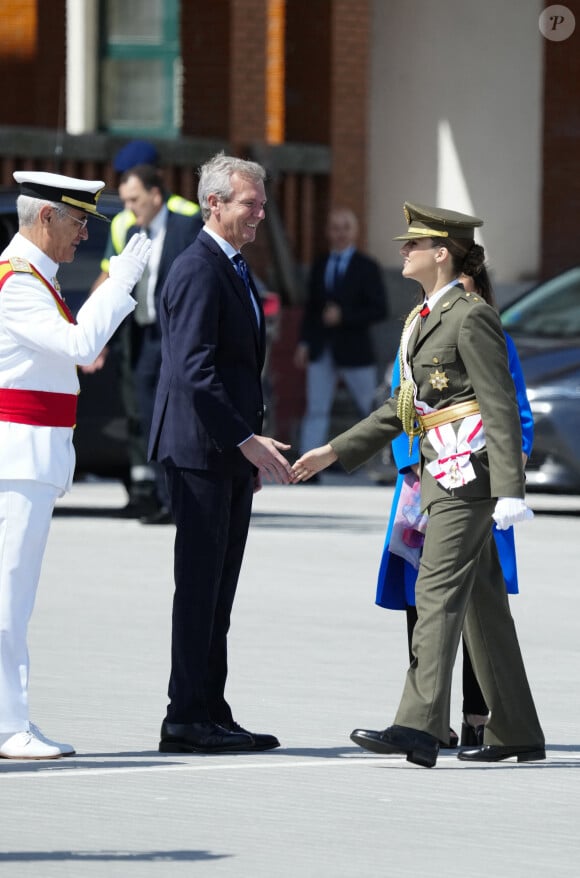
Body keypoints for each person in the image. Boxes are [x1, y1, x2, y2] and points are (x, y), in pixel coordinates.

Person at [293, 202, 545, 768]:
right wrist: (336, 450)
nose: (403, 250)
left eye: (415, 243)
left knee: (433, 592)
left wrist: (510, 489)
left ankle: (417, 725)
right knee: (482, 604)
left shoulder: (471, 316)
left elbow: (500, 405)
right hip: (443, 467)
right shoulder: (423, 317)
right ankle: (517, 732)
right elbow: (404, 407)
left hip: (467, 474)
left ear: (442, 253)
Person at [0, 170, 150, 760]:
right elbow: (81, 346)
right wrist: (122, 279)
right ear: (45, 218)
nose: (84, 234)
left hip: (28, 457)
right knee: (10, 598)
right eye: (78, 221)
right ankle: (10, 725)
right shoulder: (20, 284)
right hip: (18, 457)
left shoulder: (34, 277)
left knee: (12, 595)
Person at [148, 153, 295, 754]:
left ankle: (211, 705)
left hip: (226, 456)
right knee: (200, 587)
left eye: (261, 204)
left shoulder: (233, 266)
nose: (259, 214)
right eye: (249, 204)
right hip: (200, 451)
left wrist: (246, 456)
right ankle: (185, 715)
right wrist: (246, 442)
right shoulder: (197, 267)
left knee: (220, 589)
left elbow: (237, 369)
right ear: (215, 203)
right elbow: (194, 372)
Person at [377, 265, 535, 748]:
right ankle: (434, 721)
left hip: (473, 485)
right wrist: (409, 465)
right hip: (422, 484)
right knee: (422, 600)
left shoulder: (484, 332)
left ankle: (475, 715)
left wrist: (505, 475)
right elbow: (403, 408)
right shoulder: (416, 333)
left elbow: (514, 415)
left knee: (470, 603)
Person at [85, 140, 202, 522]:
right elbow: (110, 274)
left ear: (156, 191)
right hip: (140, 334)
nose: (129, 208)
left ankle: (173, 497)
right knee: (142, 413)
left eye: (135, 198)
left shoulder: (187, 217)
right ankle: (148, 492)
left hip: (175, 336)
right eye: (125, 198)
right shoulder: (123, 223)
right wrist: (94, 328)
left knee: (172, 413)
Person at [294, 208, 387, 472]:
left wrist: (344, 316)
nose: (340, 233)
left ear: (355, 232)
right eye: (335, 228)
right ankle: (307, 468)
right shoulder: (320, 264)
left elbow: (380, 309)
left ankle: (381, 465)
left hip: (356, 351)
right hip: (322, 349)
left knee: (371, 411)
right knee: (316, 409)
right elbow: (311, 309)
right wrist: (303, 342)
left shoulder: (367, 267)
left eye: (345, 228)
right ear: (328, 232)